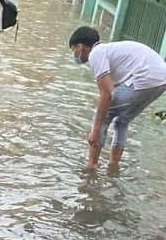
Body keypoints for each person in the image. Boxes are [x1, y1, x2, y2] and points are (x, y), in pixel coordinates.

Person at [69, 26, 166, 174]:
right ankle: (113, 166)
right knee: (122, 120)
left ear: (80, 47)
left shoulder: (96, 53)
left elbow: (107, 94)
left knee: (102, 116)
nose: (74, 54)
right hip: (160, 81)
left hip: (145, 78)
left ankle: (91, 166)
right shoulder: (110, 51)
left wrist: (95, 130)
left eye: (73, 50)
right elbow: (113, 88)